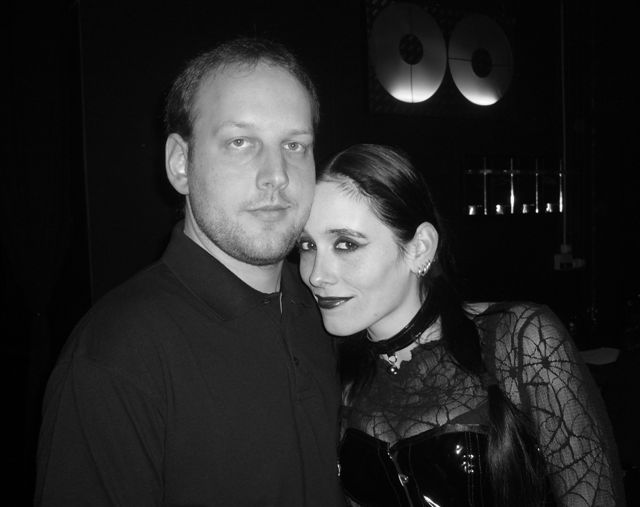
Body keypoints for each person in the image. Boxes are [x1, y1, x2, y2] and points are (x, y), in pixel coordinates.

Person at [35, 37, 344, 506]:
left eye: (295, 145)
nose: (277, 175)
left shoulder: (325, 307)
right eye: (240, 142)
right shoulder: (114, 359)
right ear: (181, 164)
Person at [298, 143, 625, 506]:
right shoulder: (331, 365)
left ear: (420, 248)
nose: (316, 275)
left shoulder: (515, 339)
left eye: (345, 244)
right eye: (307, 245)